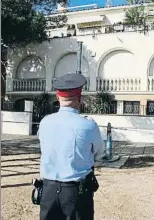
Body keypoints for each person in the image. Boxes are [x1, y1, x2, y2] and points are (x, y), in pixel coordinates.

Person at [38, 73, 104, 220]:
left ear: (57, 97)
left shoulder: (45, 122)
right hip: (76, 192)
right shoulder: (88, 125)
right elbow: (99, 153)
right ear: (79, 98)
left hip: (48, 190)